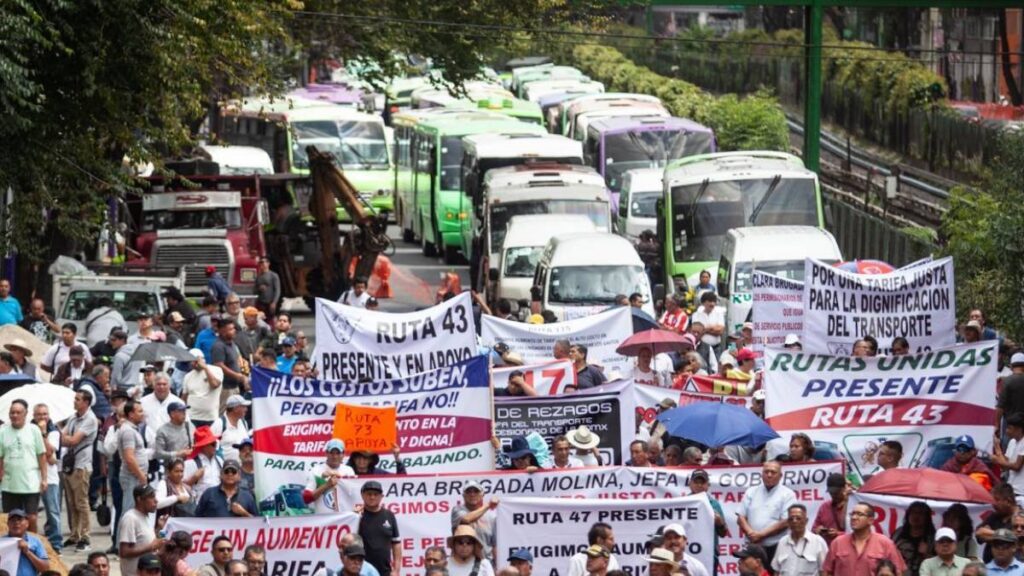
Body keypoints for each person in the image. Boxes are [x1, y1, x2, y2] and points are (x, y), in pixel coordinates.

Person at [737, 461, 797, 567]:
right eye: (766, 472)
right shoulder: (751, 491)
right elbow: (741, 517)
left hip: (775, 547)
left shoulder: (788, 494)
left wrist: (761, 535)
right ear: (762, 474)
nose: (769, 475)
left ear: (780, 476)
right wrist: (751, 533)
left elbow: (786, 522)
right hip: (753, 546)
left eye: (773, 472)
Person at [823, 502, 905, 576]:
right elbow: (827, 572)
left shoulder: (885, 543)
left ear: (870, 520)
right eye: (852, 514)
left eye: (859, 514)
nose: (854, 517)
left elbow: (899, 572)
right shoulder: (837, 543)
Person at [62, 388, 99, 551]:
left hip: (81, 466)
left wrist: (64, 438)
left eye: (78, 399)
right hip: (70, 465)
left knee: (81, 503)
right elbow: (63, 437)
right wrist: (65, 438)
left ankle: (85, 537)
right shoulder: (73, 417)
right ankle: (74, 535)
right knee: (72, 503)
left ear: (86, 402)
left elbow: (73, 440)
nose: (74, 401)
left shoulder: (90, 419)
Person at [0, 399, 46, 527]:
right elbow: (0, 456)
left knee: (31, 518)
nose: (15, 415)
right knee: (10, 519)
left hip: (30, 483)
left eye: (18, 412)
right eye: (12, 412)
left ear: (25, 414)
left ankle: (32, 540)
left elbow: (41, 455)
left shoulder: (34, 430)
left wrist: (44, 479)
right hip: (9, 484)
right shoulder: (2, 431)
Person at [120, 485, 166, 576]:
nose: (156, 500)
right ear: (139, 499)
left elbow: (150, 541)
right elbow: (124, 552)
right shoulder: (130, 518)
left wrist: (160, 528)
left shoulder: (146, 517)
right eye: (151, 497)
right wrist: (151, 547)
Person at [358, 481, 401, 576]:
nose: (372, 497)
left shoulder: (389, 515)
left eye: (375, 494)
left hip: (385, 572)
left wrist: (396, 570)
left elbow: (396, 543)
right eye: (369, 494)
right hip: (362, 572)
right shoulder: (356, 516)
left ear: (381, 496)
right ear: (362, 495)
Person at [33, 403, 61, 551]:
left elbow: (49, 453)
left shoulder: (54, 432)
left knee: (52, 511)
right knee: (31, 513)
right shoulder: (29, 430)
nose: (42, 417)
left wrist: (43, 433)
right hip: (32, 477)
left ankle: (56, 544)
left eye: (45, 414)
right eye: (39, 414)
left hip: (50, 477)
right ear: (33, 416)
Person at [771, 503, 827, 576]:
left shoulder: (818, 542)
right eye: (791, 519)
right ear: (788, 522)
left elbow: (824, 571)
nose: (794, 521)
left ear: (806, 521)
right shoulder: (782, 542)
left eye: (798, 518)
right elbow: (777, 571)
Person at [688, 469, 727, 571]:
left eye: (702, 482)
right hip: (688, 554)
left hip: (709, 554)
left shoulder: (714, 504)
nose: (699, 485)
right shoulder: (683, 503)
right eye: (696, 482)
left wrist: (720, 523)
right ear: (690, 484)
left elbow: (723, 533)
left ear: (708, 485)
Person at [305, 439, 356, 514]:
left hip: (343, 517)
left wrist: (340, 479)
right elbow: (306, 498)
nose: (335, 456)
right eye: (332, 453)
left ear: (343, 454)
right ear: (326, 453)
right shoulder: (316, 470)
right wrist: (326, 485)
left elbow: (354, 495)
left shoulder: (349, 471)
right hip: (323, 518)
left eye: (338, 453)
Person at [452, 480, 498, 563]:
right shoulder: (457, 510)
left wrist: (497, 565)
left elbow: (494, 544)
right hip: (463, 562)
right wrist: (488, 505)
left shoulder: (491, 517)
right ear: (463, 495)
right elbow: (466, 519)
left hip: (486, 562)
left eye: (476, 491)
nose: (472, 494)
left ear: (482, 494)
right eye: (468, 491)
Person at [118, 399, 150, 515]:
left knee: (136, 510)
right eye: (140, 411)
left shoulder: (132, 429)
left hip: (135, 476)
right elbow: (129, 458)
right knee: (129, 510)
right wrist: (141, 476)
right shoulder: (128, 431)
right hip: (132, 477)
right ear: (131, 414)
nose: (143, 414)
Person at [211, 320, 248, 409]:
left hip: (235, 386)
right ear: (222, 331)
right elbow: (219, 365)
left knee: (236, 410)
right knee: (225, 410)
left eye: (234, 328)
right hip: (225, 387)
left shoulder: (232, 344)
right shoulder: (218, 346)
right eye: (230, 329)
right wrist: (237, 376)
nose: (234, 331)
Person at [978, 484, 1020, 563]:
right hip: (989, 565)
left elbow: (1017, 539)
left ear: (1008, 501)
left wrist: (990, 535)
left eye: (996, 500)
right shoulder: (994, 516)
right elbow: (979, 533)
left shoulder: (1021, 518)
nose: (993, 504)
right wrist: (1005, 536)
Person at [182, 348, 223, 428]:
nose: (192, 364)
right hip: (192, 417)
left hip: (210, 418)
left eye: (195, 361)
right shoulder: (188, 376)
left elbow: (214, 384)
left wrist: (205, 368)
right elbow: (184, 397)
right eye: (190, 361)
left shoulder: (216, 370)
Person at [893, 500, 936, 574]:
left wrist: (926, 554)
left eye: (920, 513)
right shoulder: (899, 533)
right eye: (913, 512)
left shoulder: (933, 538)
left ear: (926, 517)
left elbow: (939, 565)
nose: (916, 516)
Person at [7, 508, 49, 576]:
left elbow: (45, 569)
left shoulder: (35, 541)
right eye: (13, 520)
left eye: (19, 520)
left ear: (27, 523)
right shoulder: (2, 543)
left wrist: (28, 552)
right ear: (8, 524)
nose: (16, 523)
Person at [184, 426, 222, 499]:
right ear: (204, 446)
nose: (215, 447)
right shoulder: (191, 463)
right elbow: (180, 486)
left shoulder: (219, 461)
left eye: (216, 443)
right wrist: (193, 479)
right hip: (200, 503)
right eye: (213, 444)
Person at [812, 473, 850, 545]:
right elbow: (814, 528)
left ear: (844, 489)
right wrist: (817, 530)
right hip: (828, 548)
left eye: (836, 492)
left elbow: (858, 533)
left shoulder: (853, 506)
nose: (833, 495)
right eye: (831, 492)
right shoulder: (824, 507)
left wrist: (838, 534)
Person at [995, 413, 1024, 504]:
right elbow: (1004, 465)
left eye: (1009, 428)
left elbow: (1016, 466)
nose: (1007, 431)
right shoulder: (1012, 442)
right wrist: (997, 446)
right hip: (1012, 490)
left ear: (1019, 429)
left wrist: (997, 460)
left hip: (1021, 491)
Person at [210, 394, 250, 461]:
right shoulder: (219, 424)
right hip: (226, 466)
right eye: (243, 407)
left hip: (243, 465)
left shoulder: (244, 423)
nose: (246, 409)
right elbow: (211, 448)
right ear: (235, 409)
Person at [998, 353, 1024, 430]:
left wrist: (996, 425)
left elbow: (1000, 407)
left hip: (1011, 426)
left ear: (1011, 366)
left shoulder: (1007, 381)